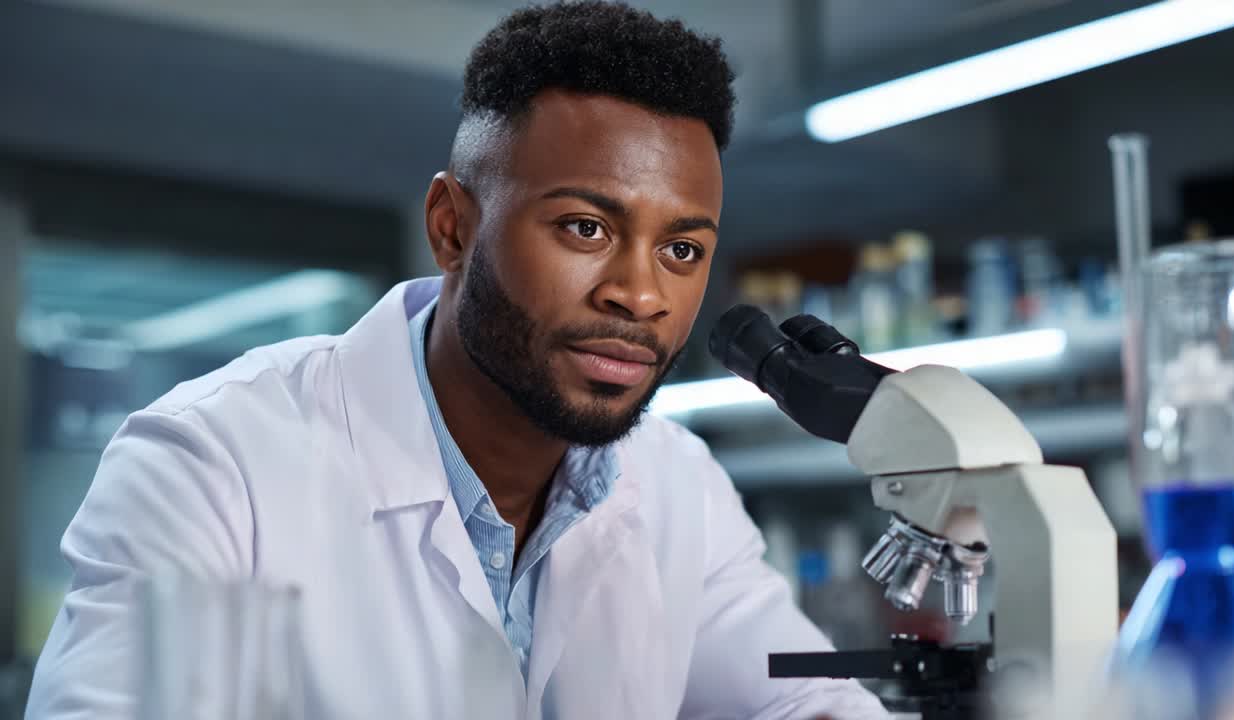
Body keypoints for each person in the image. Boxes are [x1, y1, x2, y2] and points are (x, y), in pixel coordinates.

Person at [26, 3, 888, 718]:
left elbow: (806, 702)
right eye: (586, 228)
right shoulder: (212, 464)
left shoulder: (676, 482)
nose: (641, 295)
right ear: (452, 228)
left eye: (682, 250)